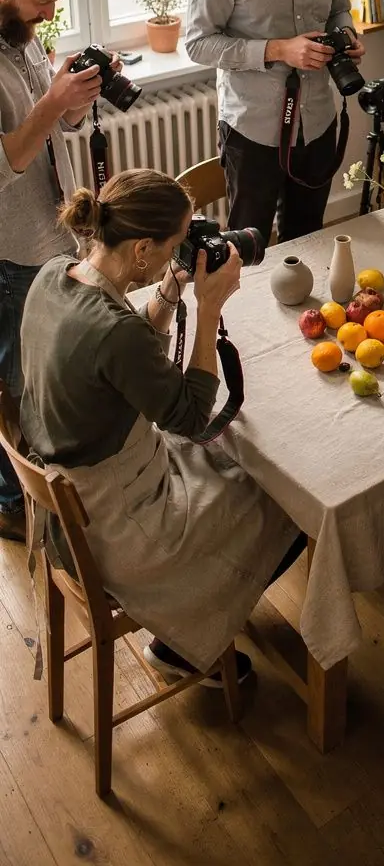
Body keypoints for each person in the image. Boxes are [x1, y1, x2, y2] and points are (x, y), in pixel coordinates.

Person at [20, 169, 303, 684]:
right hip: (115, 525)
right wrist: (209, 309)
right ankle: (184, 638)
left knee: (239, 467)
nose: (181, 254)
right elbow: (192, 417)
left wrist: (172, 288)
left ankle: (200, 617)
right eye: (175, 247)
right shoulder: (115, 331)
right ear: (143, 249)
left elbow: (121, 361)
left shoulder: (55, 274)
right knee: (287, 500)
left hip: (70, 501)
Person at [186, 0, 365, 242]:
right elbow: (198, 44)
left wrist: (346, 35)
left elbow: (338, 10)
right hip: (254, 132)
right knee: (248, 251)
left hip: (318, 122)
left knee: (309, 242)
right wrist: (278, 50)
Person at [0, 0, 103, 543]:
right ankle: (14, 499)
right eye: (41, 2)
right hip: (10, 248)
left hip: (52, 229)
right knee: (17, 378)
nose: (48, 14)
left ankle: (52, 479)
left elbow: (54, 127)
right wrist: (50, 105)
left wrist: (72, 96)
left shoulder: (23, 37)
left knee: (46, 369)